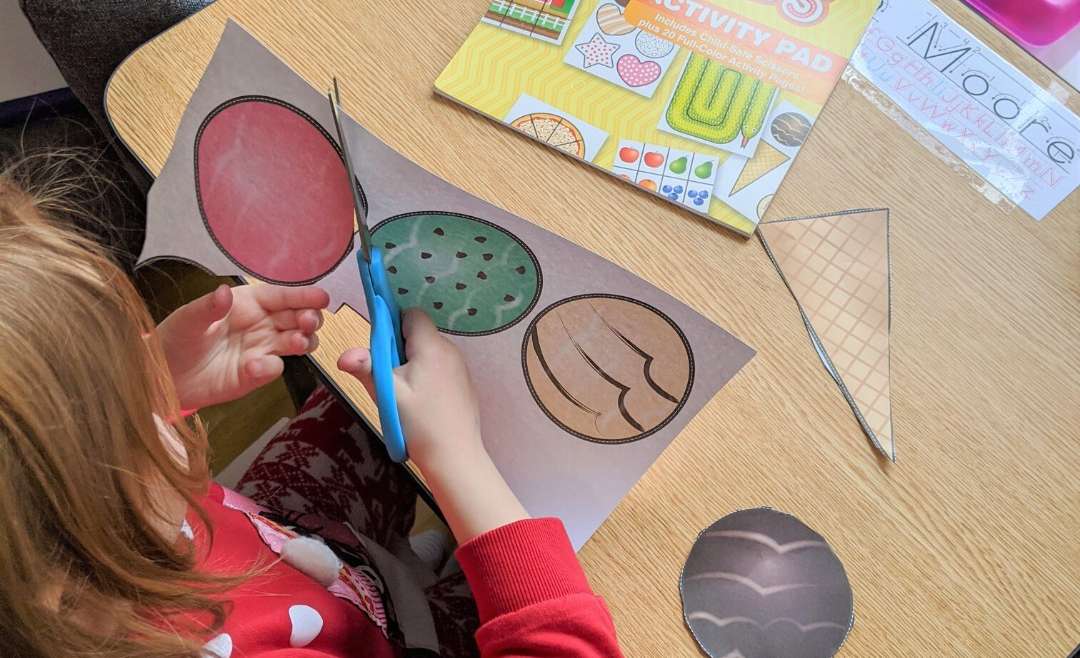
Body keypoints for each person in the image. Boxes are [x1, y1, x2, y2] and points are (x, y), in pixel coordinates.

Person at [0, 155, 624, 657]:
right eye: (129, 419)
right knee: (590, 550)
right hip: (379, 636)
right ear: (61, 570)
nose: (147, 401)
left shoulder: (57, 551)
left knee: (359, 409)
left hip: (293, 555)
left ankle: (404, 567)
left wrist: (159, 387)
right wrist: (459, 461)